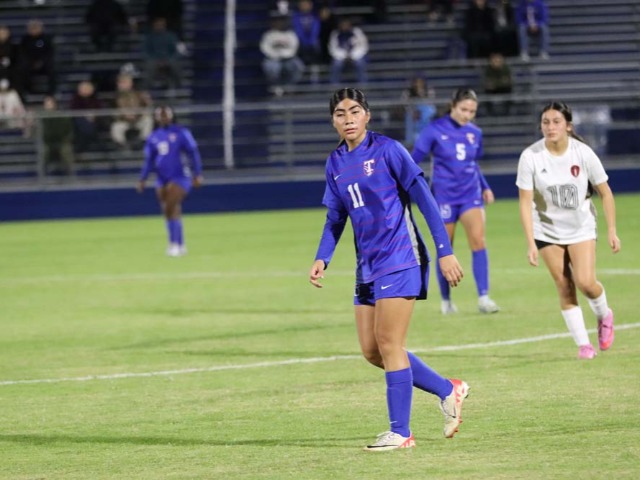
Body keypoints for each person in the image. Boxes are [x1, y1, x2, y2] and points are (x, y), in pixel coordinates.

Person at [308, 87, 468, 451]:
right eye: (340, 114)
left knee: (390, 343)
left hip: (401, 256)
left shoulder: (388, 150)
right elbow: (335, 218)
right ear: (333, 121)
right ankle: (448, 389)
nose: (348, 119)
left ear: (367, 115)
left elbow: (425, 199)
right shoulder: (335, 163)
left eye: (354, 111)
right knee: (371, 350)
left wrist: (445, 251)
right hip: (367, 265)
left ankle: (401, 432)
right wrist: (322, 257)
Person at [516, 101, 618, 359]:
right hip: (546, 230)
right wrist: (530, 243)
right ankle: (584, 345)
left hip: (581, 227)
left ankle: (604, 314)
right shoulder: (530, 156)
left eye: (556, 122)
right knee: (564, 285)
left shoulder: (583, 153)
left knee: (586, 283)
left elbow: (606, 193)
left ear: (568, 126)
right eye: (545, 122)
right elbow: (525, 202)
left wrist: (612, 230)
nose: (550, 127)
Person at [411, 88, 499, 315]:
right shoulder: (433, 130)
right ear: (453, 106)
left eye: (472, 111)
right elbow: (413, 161)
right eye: (463, 109)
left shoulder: (475, 133)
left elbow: (472, 164)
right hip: (444, 197)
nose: (467, 115)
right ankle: (446, 301)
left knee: (478, 242)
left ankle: (484, 298)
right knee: (445, 248)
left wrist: (485, 187)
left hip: (470, 195)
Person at [136, 105, 203, 257]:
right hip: (161, 178)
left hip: (180, 176)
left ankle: (174, 243)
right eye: (161, 115)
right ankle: (180, 244)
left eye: (166, 115)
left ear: (172, 116)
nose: (163, 118)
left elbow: (193, 153)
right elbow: (149, 160)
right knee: (170, 210)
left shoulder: (181, 133)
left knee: (170, 206)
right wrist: (142, 178)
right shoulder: (154, 136)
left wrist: (197, 174)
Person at [259, 15, 305, 95]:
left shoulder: (290, 34)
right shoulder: (268, 35)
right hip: (273, 59)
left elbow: (294, 48)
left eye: (281, 21)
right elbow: (264, 48)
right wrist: (276, 54)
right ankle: (276, 87)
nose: (279, 23)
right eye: (277, 21)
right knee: (270, 67)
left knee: (298, 66)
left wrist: (284, 54)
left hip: (288, 58)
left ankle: (289, 86)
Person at [110, 73, 153, 150]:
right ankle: (122, 145)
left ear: (131, 83)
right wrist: (123, 115)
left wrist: (139, 113)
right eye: (121, 83)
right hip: (123, 120)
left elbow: (148, 106)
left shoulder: (139, 93)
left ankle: (143, 141)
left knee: (148, 120)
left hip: (138, 119)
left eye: (125, 82)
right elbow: (112, 111)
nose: (123, 85)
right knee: (116, 127)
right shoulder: (114, 96)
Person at [15, 19, 56, 96]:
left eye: (36, 28)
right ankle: (26, 91)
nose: (34, 30)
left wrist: (41, 62)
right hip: (29, 64)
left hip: (43, 64)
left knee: (52, 69)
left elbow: (49, 53)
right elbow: (22, 53)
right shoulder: (25, 40)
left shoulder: (46, 39)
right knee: (20, 69)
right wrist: (31, 63)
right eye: (32, 28)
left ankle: (51, 93)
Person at [143, 17, 181, 91]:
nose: (159, 26)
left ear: (164, 25)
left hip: (169, 59)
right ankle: (146, 88)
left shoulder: (171, 36)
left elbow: (177, 51)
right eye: (157, 25)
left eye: (161, 25)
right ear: (154, 25)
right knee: (149, 65)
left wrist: (167, 60)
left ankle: (178, 85)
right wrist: (157, 60)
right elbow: (145, 51)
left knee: (175, 64)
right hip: (154, 59)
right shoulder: (149, 37)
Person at [328, 17, 369, 85]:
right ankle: (334, 85)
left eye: (346, 24)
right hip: (340, 56)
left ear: (350, 25)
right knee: (336, 64)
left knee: (360, 63)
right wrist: (344, 55)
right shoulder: (335, 33)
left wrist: (352, 55)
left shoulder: (357, 32)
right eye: (343, 25)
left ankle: (363, 84)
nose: (344, 26)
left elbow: (364, 46)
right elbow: (332, 48)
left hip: (356, 55)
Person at [41, 96, 75, 175]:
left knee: (66, 149)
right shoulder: (41, 117)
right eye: (46, 104)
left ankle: (70, 173)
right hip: (47, 142)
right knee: (44, 150)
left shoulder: (62, 116)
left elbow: (68, 130)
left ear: (55, 104)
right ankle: (42, 173)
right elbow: (40, 132)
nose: (48, 106)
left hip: (61, 141)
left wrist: (65, 139)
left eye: (50, 104)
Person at [69, 80, 105, 152]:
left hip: (94, 121)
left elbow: (100, 110)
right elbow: (74, 111)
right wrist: (85, 116)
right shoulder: (75, 99)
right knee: (85, 125)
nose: (86, 90)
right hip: (80, 122)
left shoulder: (95, 99)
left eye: (88, 88)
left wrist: (94, 115)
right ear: (79, 90)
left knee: (90, 127)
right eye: (84, 88)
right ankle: (100, 145)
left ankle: (81, 149)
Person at [291, 0, 322, 83]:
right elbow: (298, 29)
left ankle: (314, 73)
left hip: (312, 40)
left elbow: (316, 29)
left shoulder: (314, 15)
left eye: (307, 4)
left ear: (310, 5)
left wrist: (311, 40)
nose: (305, 6)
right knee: (296, 47)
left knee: (316, 45)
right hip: (300, 40)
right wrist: (304, 40)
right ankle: (300, 73)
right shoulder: (296, 15)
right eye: (302, 4)